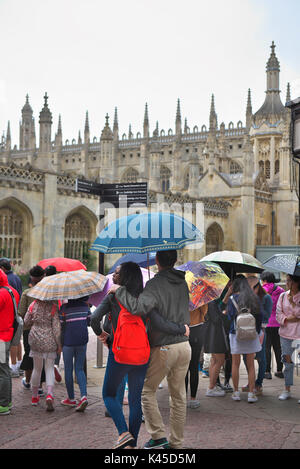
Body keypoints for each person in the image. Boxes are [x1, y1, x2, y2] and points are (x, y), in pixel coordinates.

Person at [110, 250, 191, 450]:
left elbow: (137, 308)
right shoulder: (183, 282)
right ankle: (177, 444)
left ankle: (158, 435)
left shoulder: (155, 284)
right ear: (176, 260)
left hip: (164, 346)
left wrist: (118, 291)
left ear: (157, 261)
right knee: (179, 397)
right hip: (184, 345)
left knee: (147, 391)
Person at [226, 276, 262, 403]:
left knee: (235, 364)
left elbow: (230, 317)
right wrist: (256, 332)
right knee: (251, 364)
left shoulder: (232, 299)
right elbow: (259, 316)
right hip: (251, 334)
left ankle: (236, 392)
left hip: (236, 334)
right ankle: (251, 393)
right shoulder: (254, 298)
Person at [24, 298, 61, 411]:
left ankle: (35, 397)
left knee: (37, 368)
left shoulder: (33, 305)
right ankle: (49, 394)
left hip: (36, 338)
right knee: (49, 368)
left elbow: (26, 321)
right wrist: (59, 344)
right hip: (49, 339)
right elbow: (56, 328)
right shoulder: (54, 307)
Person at [59, 296, 91, 412]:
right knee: (79, 369)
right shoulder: (85, 307)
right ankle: (83, 396)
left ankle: (71, 398)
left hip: (68, 341)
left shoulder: (63, 308)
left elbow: (61, 325)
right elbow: (89, 322)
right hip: (82, 340)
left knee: (68, 369)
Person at [242, 277, 272, 396]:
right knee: (246, 357)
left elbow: (267, 315)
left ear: (257, 286)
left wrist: (256, 302)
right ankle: (251, 382)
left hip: (261, 331)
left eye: (252, 287)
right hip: (247, 330)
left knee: (261, 358)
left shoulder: (266, 298)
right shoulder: (246, 297)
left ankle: (258, 383)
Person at [18, 265, 45, 392]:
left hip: (29, 329)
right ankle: (39, 386)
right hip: (45, 329)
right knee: (42, 356)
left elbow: (21, 313)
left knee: (29, 354)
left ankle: (28, 381)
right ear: (43, 276)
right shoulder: (48, 293)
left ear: (31, 278)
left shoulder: (27, 293)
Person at [276, 274, 300, 402]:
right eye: (287, 280)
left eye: (290, 281)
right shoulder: (282, 295)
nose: (287, 283)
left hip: (298, 335)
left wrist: (293, 304)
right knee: (287, 362)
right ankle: (287, 389)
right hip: (285, 334)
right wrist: (290, 319)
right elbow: (278, 315)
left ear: (297, 283)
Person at [0, 269, 20, 415]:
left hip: (1, 336)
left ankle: (4, 404)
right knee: (4, 368)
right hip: (7, 334)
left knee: (2, 370)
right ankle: (7, 401)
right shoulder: (11, 291)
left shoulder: (1, 294)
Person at [0, 259, 23, 378]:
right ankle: (18, 365)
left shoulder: (4, 290)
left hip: (5, 326)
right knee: (17, 342)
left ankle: (14, 367)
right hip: (15, 316)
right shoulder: (16, 278)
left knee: (3, 368)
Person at [204, 298, 230, 397]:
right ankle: (211, 388)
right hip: (216, 335)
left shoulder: (207, 302)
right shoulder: (211, 302)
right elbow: (216, 318)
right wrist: (224, 314)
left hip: (211, 334)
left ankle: (212, 385)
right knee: (219, 360)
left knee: (214, 360)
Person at [260, 271, 284, 379]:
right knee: (278, 347)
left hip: (266, 323)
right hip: (279, 323)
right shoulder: (281, 291)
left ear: (264, 280)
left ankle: (267, 372)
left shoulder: (262, 290)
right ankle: (279, 370)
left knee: (266, 348)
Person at [185, 304, 208, 407]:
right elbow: (204, 313)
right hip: (197, 330)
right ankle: (193, 399)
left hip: (182, 329)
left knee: (183, 367)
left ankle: (182, 398)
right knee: (194, 366)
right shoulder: (199, 296)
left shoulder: (180, 293)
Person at [44, 265, 62, 384]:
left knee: (47, 340)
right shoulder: (60, 283)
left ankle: (48, 365)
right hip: (59, 313)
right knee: (58, 341)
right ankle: (55, 364)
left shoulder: (44, 284)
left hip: (47, 315)